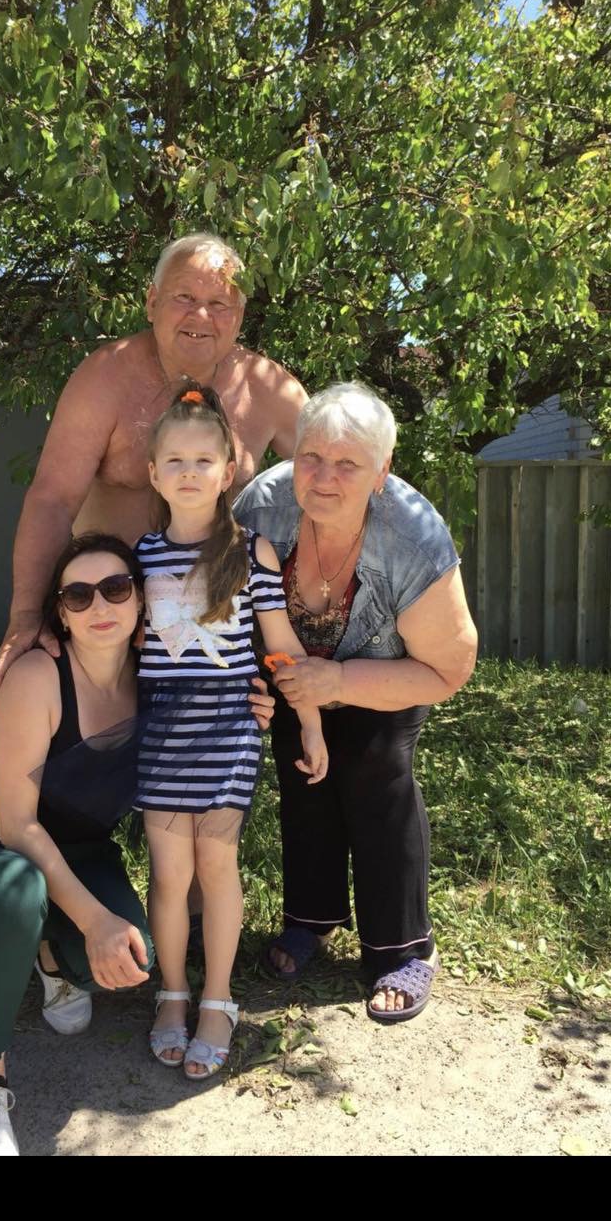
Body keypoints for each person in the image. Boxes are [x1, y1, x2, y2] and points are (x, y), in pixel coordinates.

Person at [0, 531, 277, 1154]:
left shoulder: (157, 678)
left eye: (115, 588)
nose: (99, 606)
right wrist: (94, 919)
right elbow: (14, 827)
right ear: (60, 613)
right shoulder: (38, 677)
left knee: (129, 963)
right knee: (18, 893)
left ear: (141, 600)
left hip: (80, 853)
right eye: (77, 595)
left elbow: (217, 701)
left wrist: (251, 707)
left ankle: (50, 957)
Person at [233, 381, 478, 1023]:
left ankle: (403, 947)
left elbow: (449, 667)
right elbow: (222, 600)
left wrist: (340, 682)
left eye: (348, 464)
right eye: (311, 457)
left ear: (381, 470)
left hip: (392, 673)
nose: (324, 478)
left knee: (374, 766)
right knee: (302, 769)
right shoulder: (261, 507)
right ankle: (311, 919)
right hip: (290, 669)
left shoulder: (413, 536)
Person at [0, 233, 308, 697]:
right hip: (108, 616)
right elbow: (52, 498)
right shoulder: (105, 376)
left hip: (214, 639)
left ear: (239, 317)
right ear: (152, 302)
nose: (201, 316)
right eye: (184, 297)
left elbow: (340, 471)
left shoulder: (267, 388)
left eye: (219, 303)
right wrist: (25, 615)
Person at [137, 385, 328, 1081]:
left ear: (228, 471)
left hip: (228, 731)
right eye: (175, 460)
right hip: (160, 734)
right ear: (154, 473)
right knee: (169, 873)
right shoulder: (141, 556)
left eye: (203, 460)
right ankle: (172, 993)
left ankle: (217, 1000)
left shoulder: (255, 553)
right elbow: (124, 650)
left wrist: (309, 722)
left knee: (216, 867)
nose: (189, 472)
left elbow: (280, 647)